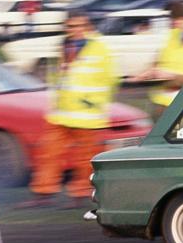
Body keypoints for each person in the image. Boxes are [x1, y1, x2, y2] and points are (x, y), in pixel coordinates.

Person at [25, 11, 118, 208]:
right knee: (48, 153)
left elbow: (110, 80)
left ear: (87, 27)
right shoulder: (63, 46)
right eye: (70, 26)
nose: (74, 30)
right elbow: (61, 78)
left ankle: (79, 197)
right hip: (61, 114)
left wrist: (92, 101)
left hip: (87, 115)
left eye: (78, 26)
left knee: (84, 159)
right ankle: (43, 193)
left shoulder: (99, 48)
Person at [129, 1, 183, 116]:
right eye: (173, 20)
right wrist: (147, 74)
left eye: (179, 20)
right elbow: (157, 63)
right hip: (161, 104)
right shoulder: (170, 36)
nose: (176, 24)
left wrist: (173, 77)